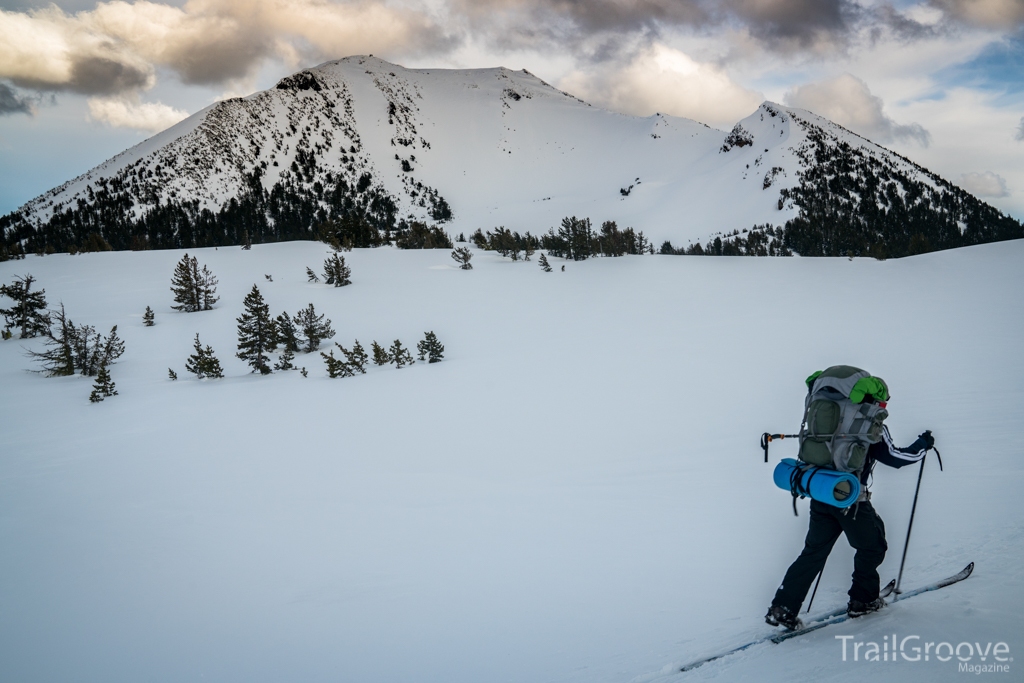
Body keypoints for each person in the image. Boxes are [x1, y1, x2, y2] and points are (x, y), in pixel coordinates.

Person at [765, 425, 935, 630]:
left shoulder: (826, 415)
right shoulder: (871, 422)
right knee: (873, 546)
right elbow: (895, 458)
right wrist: (922, 445)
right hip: (851, 500)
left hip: (821, 493)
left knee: (813, 552)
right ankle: (863, 601)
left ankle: (782, 608)